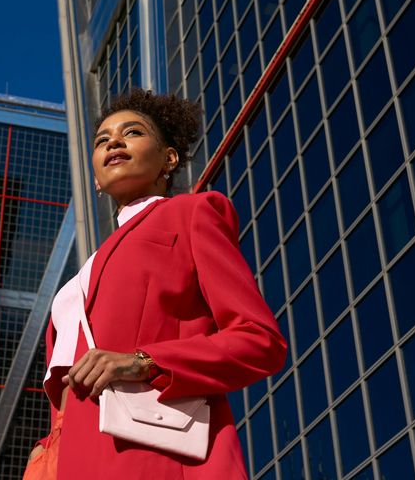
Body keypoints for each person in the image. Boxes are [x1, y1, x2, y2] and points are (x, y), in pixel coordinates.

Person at [23, 88, 286, 479]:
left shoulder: (192, 214)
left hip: (146, 455)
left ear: (169, 159)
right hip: (64, 461)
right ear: (95, 178)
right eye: (102, 140)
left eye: (132, 133)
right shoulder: (81, 277)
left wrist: (144, 361)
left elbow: (260, 341)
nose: (114, 141)